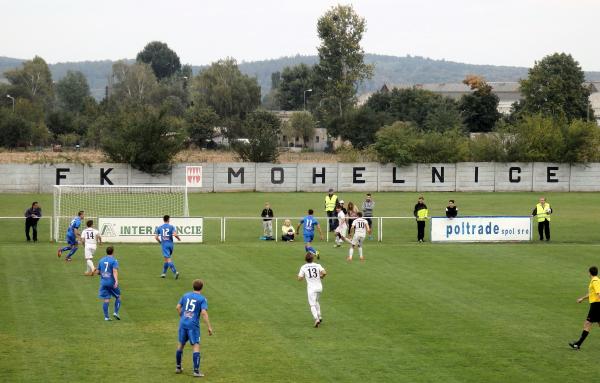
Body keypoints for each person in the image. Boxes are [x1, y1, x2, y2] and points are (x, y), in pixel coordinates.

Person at [175, 279, 214, 377]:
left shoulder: (185, 295)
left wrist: (182, 316)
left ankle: (178, 367)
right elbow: (204, 313)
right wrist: (209, 327)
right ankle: (196, 371)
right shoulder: (202, 299)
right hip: (193, 326)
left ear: (193, 286)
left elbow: (178, 307)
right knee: (196, 346)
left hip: (183, 323)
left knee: (180, 345)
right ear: (202, 287)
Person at [569, 266, 600, 350]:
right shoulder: (596, 280)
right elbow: (592, 294)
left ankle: (578, 344)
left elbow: (598, 293)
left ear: (590, 273)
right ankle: (578, 344)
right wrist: (582, 298)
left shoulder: (595, 281)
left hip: (596, 305)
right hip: (596, 304)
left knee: (587, 323)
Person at [297, 252, 327, 327]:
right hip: (319, 287)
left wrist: (304, 276)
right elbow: (324, 272)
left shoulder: (303, 267)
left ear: (305, 259)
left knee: (312, 304)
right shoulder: (317, 265)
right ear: (313, 258)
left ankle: (316, 319)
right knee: (316, 301)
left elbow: (299, 278)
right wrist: (321, 276)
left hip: (311, 288)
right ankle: (320, 316)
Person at [94, 246, 121, 321]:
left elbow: (98, 272)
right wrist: (116, 281)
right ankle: (115, 312)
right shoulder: (114, 260)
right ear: (113, 252)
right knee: (118, 297)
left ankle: (106, 317)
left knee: (106, 299)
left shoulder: (101, 260)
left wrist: (100, 272)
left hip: (103, 283)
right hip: (111, 282)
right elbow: (115, 271)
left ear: (106, 252)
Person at [154, 215, 181, 279]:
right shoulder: (171, 227)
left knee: (168, 259)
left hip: (165, 245)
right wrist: (178, 238)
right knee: (166, 259)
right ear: (168, 220)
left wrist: (160, 242)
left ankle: (175, 272)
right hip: (171, 245)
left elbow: (156, 237)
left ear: (163, 220)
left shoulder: (160, 227)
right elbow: (175, 234)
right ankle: (163, 273)